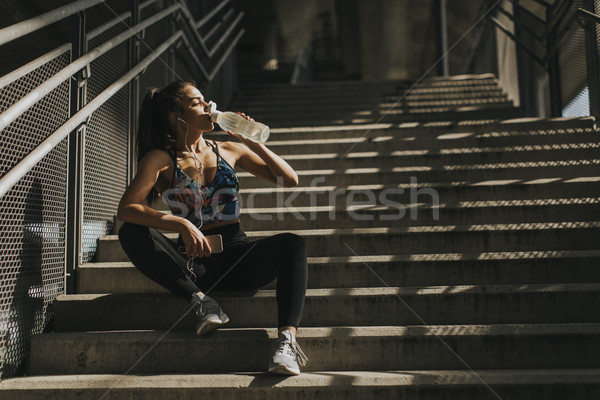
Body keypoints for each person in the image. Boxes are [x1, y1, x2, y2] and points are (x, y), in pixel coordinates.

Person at [116, 80, 308, 375]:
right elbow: (127, 208)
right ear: (175, 116)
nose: (208, 107)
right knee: (130, 232)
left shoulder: (229, 149)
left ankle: (286, 343)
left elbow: (289, 180)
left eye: (206, 100)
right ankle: (202, 302)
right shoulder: (161, 159)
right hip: (194, 266)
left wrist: (253, 141)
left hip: (237, 257)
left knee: (293, 244)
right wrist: (179, 222)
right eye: (196, 102)